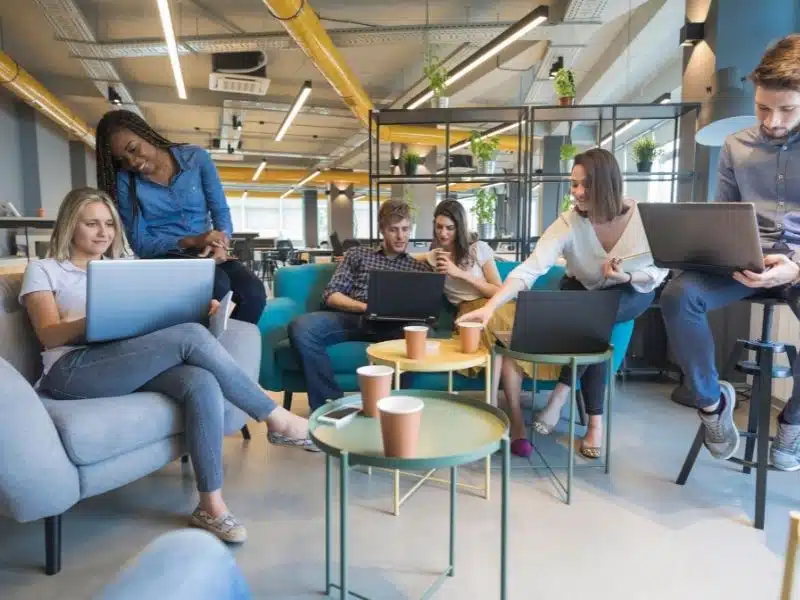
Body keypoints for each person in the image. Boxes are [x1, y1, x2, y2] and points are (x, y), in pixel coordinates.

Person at [20, 188, 311, 544]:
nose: (103, 232)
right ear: (69, 226)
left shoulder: (125, 268)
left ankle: (210, 506)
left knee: (200, 380)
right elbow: (49, 336)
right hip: (72, 371)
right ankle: (275, 417)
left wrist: (201, 312)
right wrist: (96, 318)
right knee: (188, 336)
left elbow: (151, 320)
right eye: (91, 223)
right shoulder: (45, 270)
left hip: (125, 359)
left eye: (109, 223)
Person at [459, 149, 667, 459]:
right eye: (574, 184)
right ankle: (593, 424)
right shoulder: (569, 222)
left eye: (586, 185)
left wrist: (627, 277)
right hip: (582, 290)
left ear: (608, 185)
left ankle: (561, 394)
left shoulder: (645, 218)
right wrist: (491, 306)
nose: (578, 192)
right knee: (595, 324)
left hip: (633, 290)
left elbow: (659, 269)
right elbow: (531, 268)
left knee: (599, 316)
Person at [660, 34, 800, 471]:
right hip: (744, 257)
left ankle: (793, 422)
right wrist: (719, 251)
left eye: (787, 110)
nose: (773, 121)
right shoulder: (735, 146)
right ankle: (711, 403)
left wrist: (795, 266)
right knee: (678, 296)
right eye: (763, 108)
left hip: (797, 260)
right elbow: (723, 215)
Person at [95, 109, 266, 325]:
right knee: (218, 286)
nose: (133, 162)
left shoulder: (195, 158)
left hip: (206, 254)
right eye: (122, 159)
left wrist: (221, 242)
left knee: (253, 292)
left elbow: (220, 211)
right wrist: (193, 240)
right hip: (166, 257)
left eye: (133, 149)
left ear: (145, 133)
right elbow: (141, 244)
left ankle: (232, 353)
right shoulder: (125, 182)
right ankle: (205, 353)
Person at [288, 199, 432, 411]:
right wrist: (368, 307)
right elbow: (331, 295)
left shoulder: (416, 266)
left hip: (393, 326)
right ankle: (331, 406)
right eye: (393, 230)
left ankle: (394, 406)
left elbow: (426, 308)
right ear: (382, 230)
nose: (401, 236)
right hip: (354, 317)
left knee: (421, 333)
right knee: (301, 327)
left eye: (405, 229)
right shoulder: (358, 254)